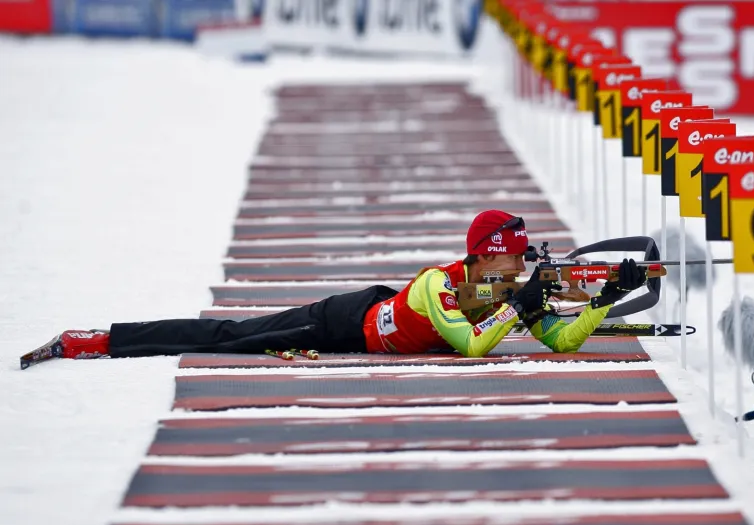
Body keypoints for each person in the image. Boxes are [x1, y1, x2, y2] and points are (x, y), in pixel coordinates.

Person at [23, 210, 646, 366]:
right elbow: (472, 346)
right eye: (513, 260)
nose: (522, 268)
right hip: (343, 322)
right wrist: (519, 304)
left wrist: (604, 299)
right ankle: (96, 340)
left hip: (379, 320)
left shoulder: (500, 294)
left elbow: (562, 343)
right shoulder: (439, 284)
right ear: (487, 258)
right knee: (233, 338)